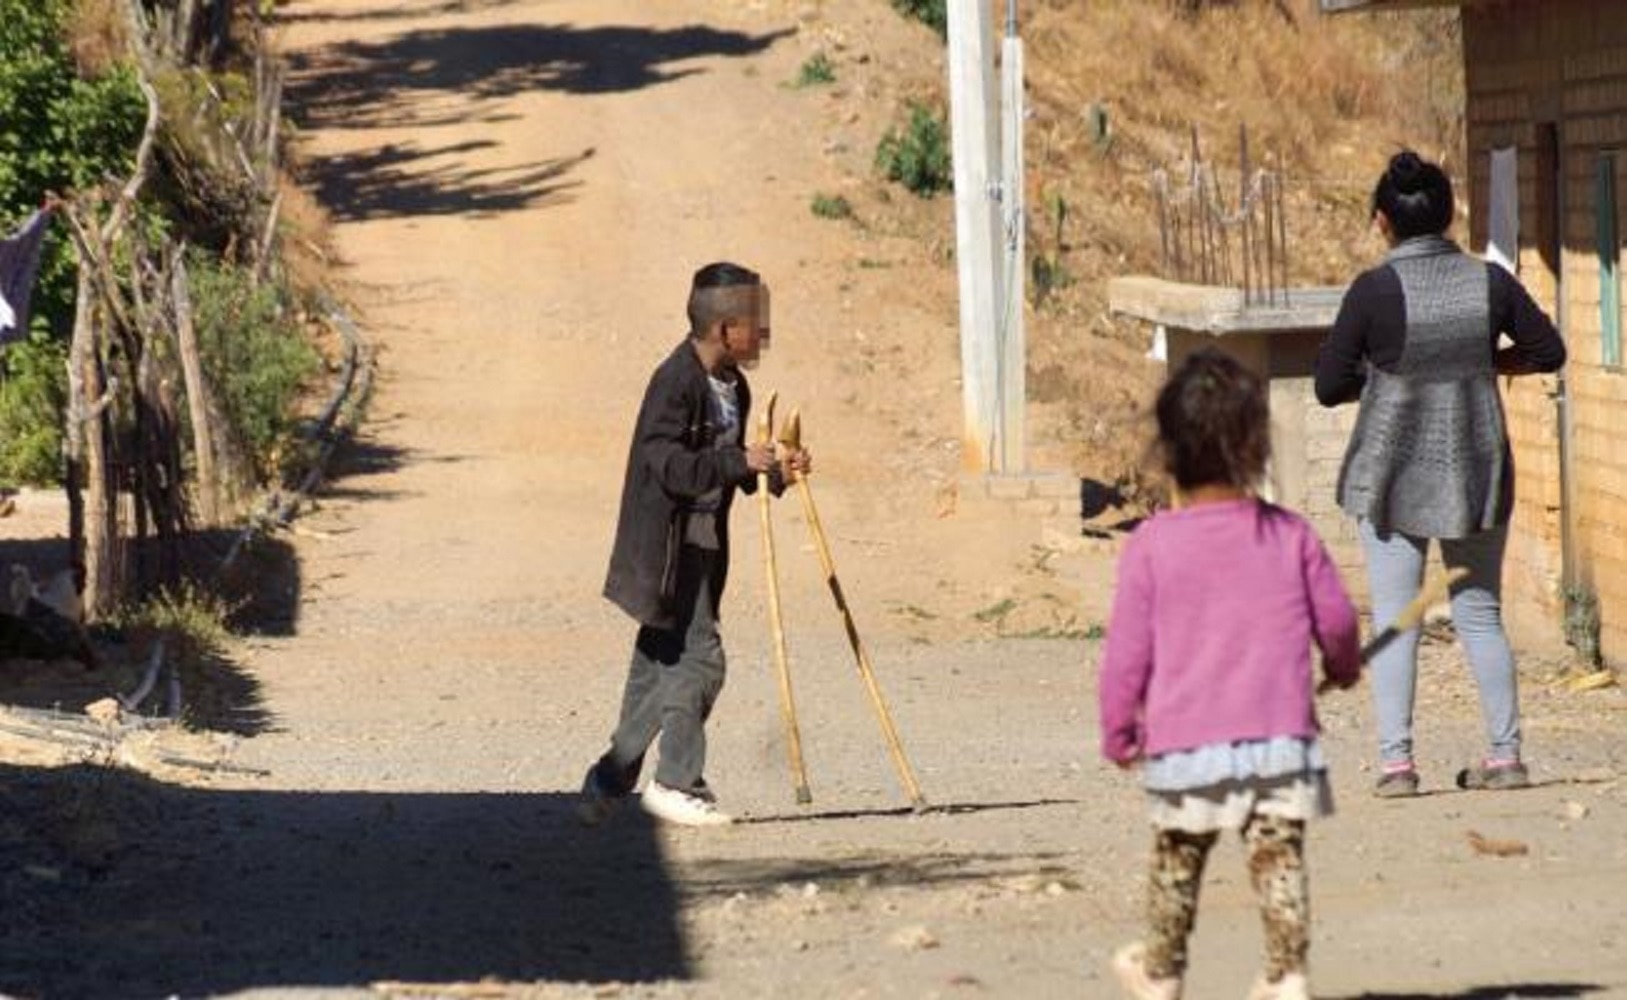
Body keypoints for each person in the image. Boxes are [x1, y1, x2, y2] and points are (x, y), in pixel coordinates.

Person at [1099, 348, 1361, 1000]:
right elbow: (1335, 621)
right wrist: (1343, 666)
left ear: (1168, 450)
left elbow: (1125, 655)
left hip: (1186, 740)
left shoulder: (1152, 546)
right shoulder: (1290, 535)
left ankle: (1160, 971)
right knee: (1277, 859)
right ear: (1254, 444)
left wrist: (1118, 730)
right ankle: (1286, 974)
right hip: (1277, 734)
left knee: (1176, 861)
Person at [1315, 150, 1566, 797]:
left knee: (1397, 617)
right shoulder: (1490, 284)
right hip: (1477, 472)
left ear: (1381, 222)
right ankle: (1504, 756)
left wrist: (1385, 379)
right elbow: (1548, 350)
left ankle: (1397, 765)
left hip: (1392, 477)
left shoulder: (1372, 292)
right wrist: (1484, 366)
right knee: (1480, 615)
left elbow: (1326, 385)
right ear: (1450, 214)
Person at [577, 261, 809, 828]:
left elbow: (733, 469)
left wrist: (778, 471)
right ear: (725, 328)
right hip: (666, 550)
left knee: (658, 666)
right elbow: (666, 463)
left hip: (706, 543)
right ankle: (676, 782)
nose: (764, 336)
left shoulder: (735, 386)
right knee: (701, 660)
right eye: (756, 324)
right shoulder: (675, 380)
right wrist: (737, 460)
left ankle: (608, 780)